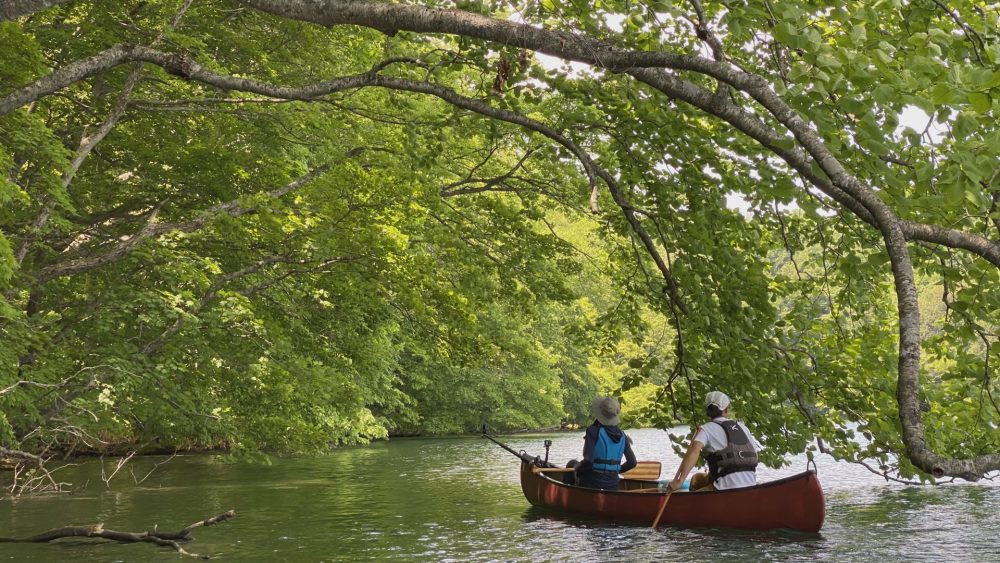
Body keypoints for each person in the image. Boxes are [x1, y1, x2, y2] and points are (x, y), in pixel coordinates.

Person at [666, 391, 760, 492]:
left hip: (724, 488)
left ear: (707, 410)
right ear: (726, 409)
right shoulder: (743, 427)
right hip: (751, 485)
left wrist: (679, 482)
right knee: (697, 479)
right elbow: (755, 456)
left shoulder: (706, 429)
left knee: (693, 492)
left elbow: (694, 450)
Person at [571, 396, 637, 490]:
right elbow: (632, 462)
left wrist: (577, 468)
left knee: (572, 463)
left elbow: (588, 461)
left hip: (593, 483)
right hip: (613, 484)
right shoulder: (623, 436)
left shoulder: (593, 431)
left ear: (600, 413)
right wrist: (615, 471)